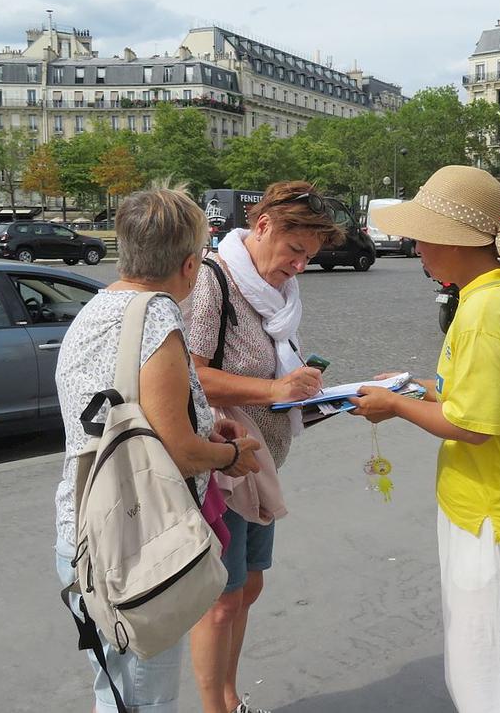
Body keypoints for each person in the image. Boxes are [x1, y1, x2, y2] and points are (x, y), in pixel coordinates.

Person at [349, 165, 500, 713]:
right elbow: (490, 397)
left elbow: (473, 427)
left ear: (453, 242)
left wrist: (395, 404)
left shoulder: (482, 313)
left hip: (499, 517)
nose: (415, 247)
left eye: (420, 235)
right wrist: (420, 389)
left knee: (493, 668)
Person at [54, 186, 261, 712]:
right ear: (191, 265)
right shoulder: (156, 321)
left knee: (117, 689)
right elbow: (181, 451)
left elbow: (135, 415)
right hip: (136, 541)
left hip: (84, 528)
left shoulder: (97, 309)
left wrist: (204, 428)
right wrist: (230, 456)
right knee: (146, 698)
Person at [185, 180, 344, 713]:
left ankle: (229, 695)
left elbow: (273, 373)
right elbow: (189, 378)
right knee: (221, 600)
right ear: (263, 226)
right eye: (296, 251)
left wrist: (315, 391)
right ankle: (216, 707)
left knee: (248, 587)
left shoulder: (277, 292)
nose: (301, 267)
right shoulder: (213, 280)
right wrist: (276, 389)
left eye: (310, 258)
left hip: (261, 462)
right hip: (221, 468)